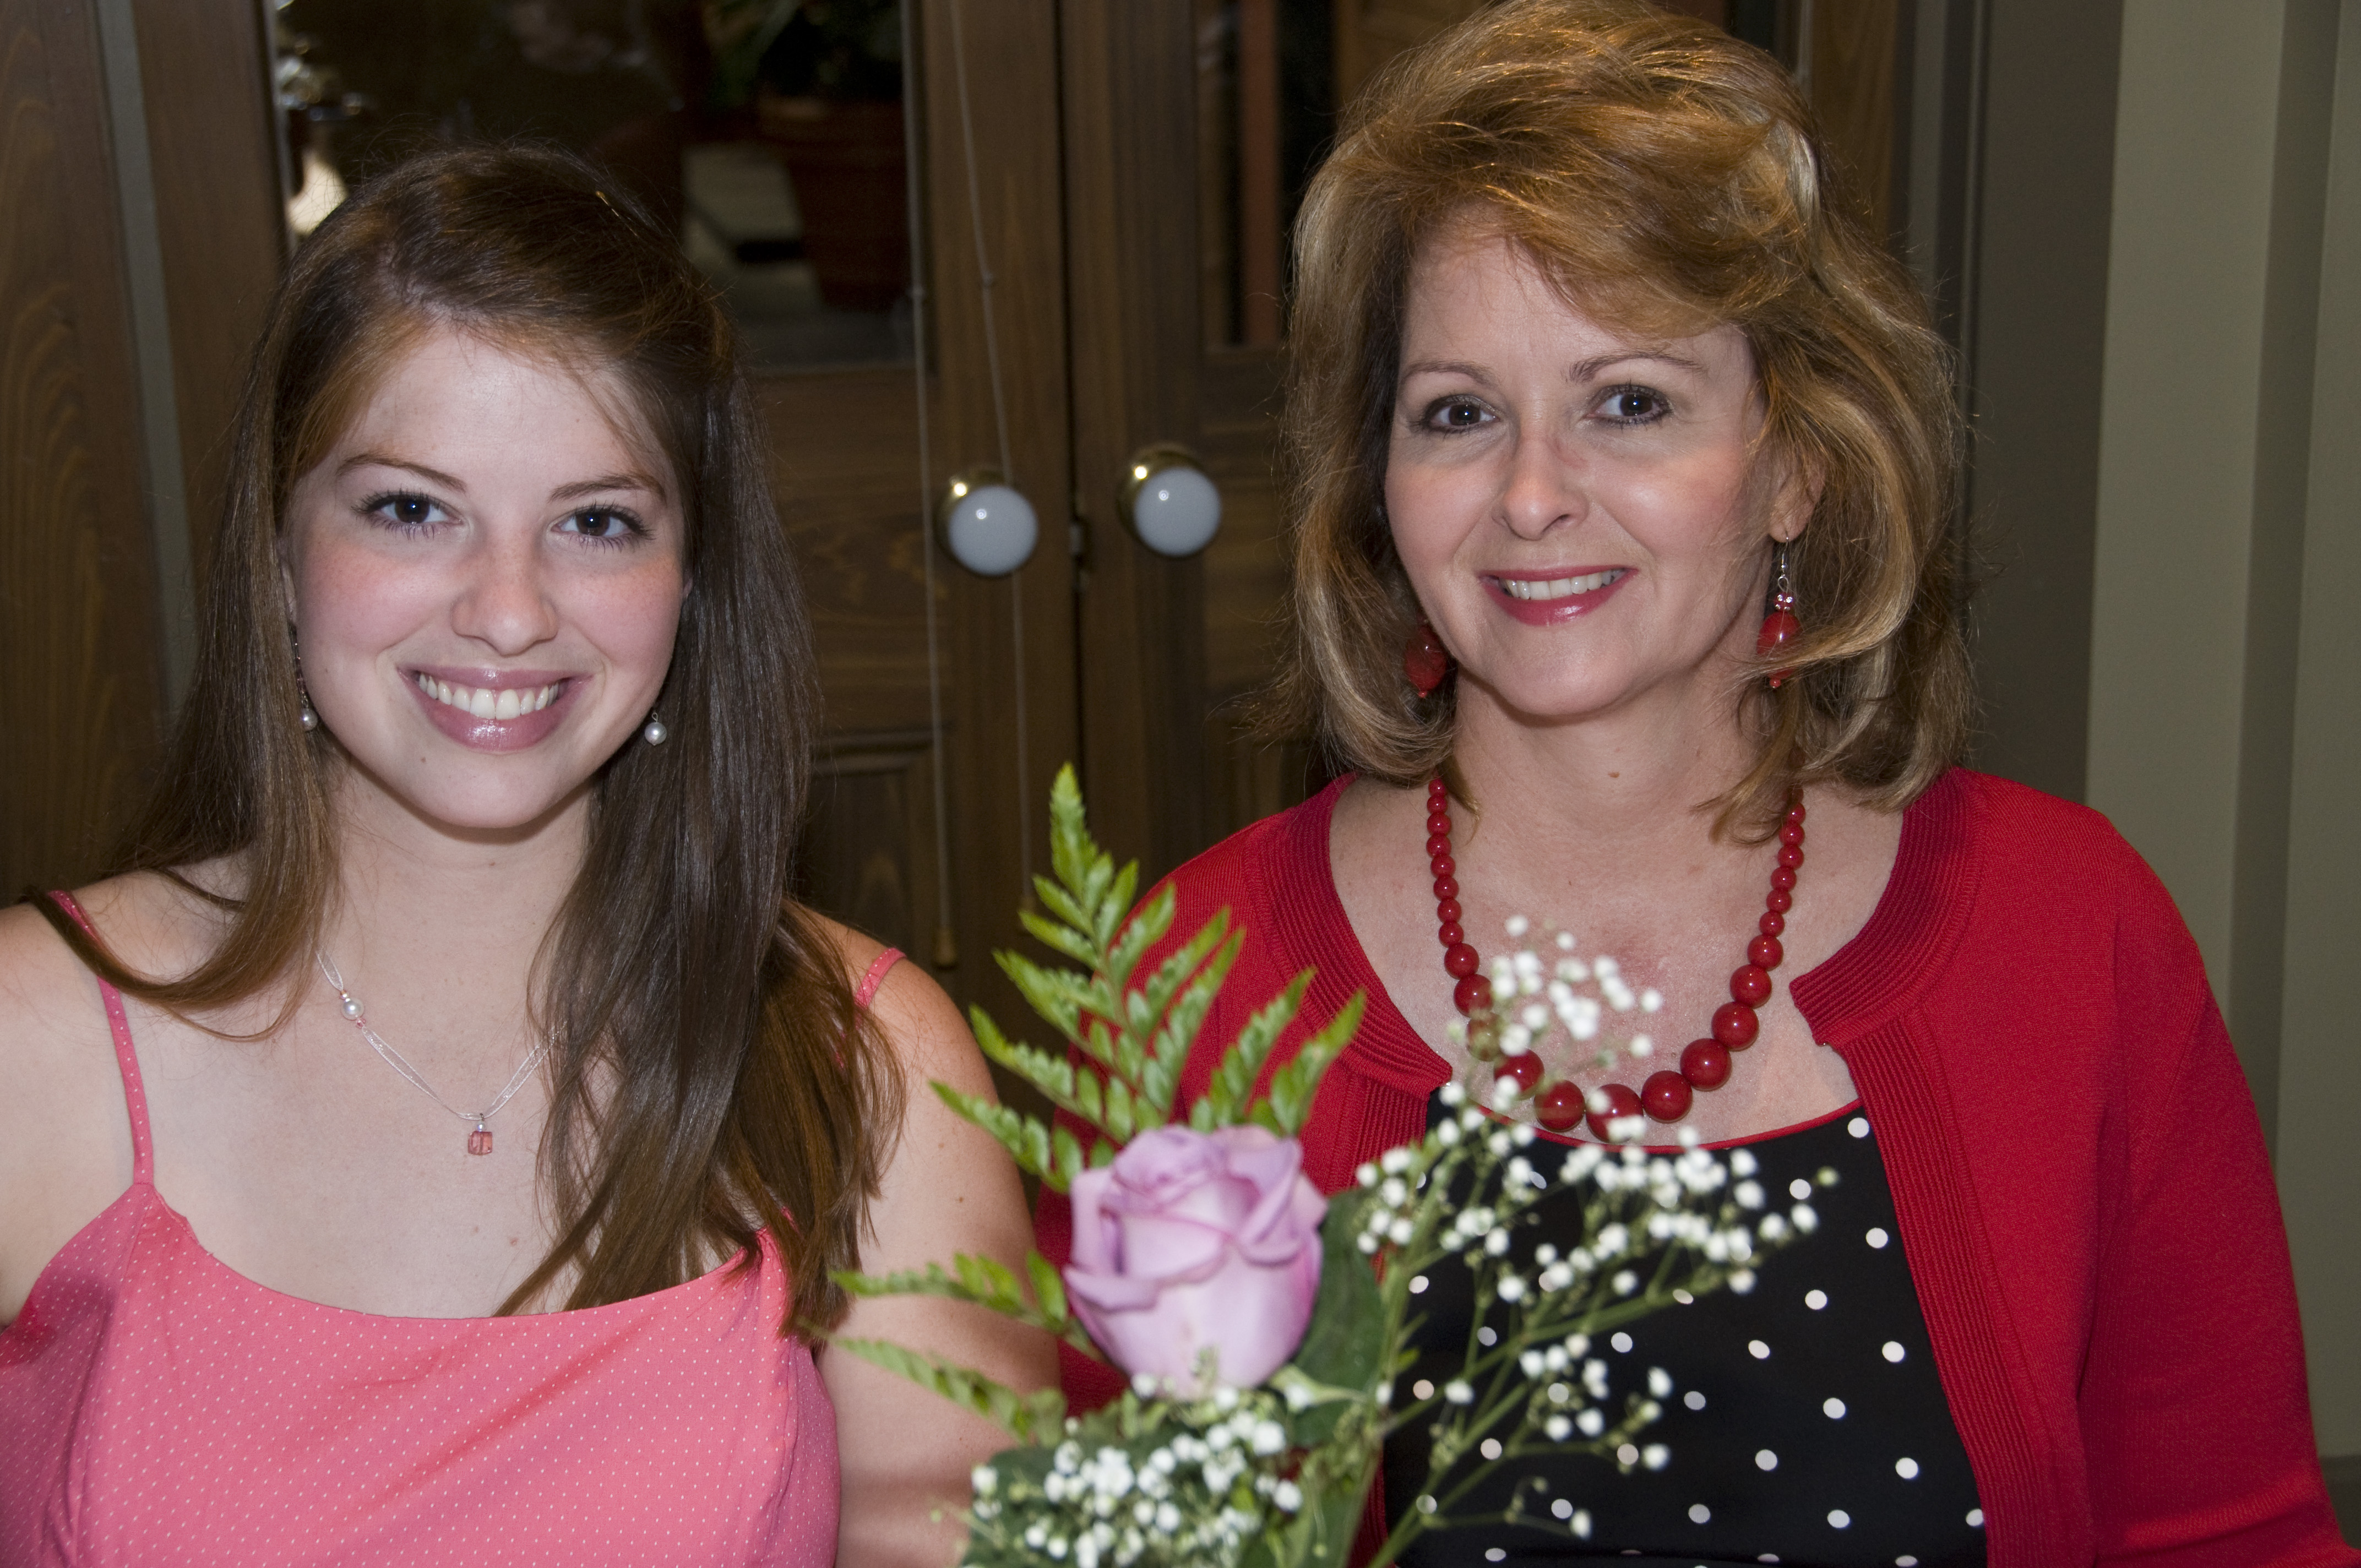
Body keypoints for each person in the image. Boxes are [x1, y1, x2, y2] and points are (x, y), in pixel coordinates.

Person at [1037, 4, 2356, 1565]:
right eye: (1459, 413)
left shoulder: (2073, 937)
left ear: (1799, 463)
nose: (1532, 495)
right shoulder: (1196, 992)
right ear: (1380, 487)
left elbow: (2230, 1539)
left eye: (1631, 402)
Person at [0, 144, 1050, 1565]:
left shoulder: (867, 1064)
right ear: (281, 549)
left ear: (691, 581)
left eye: (597, 523)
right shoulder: (34, 1038)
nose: (509, 612)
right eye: (411, 509)